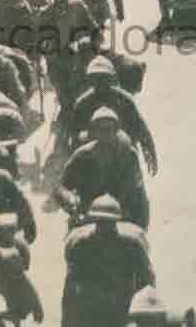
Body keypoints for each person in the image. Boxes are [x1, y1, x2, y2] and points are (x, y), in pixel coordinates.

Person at [61, 194, 154, 327]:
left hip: (121, 303)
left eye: (109, 222)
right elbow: (71, 284)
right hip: (90, 306)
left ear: (116, 221)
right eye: (100, 222)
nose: (105, 227)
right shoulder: (80, 244)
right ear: (94, 220)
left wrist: (145, 310)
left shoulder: (132, 243)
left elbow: (146, 279)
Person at [54, 109, 150, 230]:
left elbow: (138, 190)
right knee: (74, 240)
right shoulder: (82, 156)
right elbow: (61, 187)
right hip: (88, 216)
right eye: (101, 130)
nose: (105, 134)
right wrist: (69, 199)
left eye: (109, 129)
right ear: (94, 132)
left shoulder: (128, 155)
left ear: (116, 131)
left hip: (122, 216)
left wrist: (141, 225)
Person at [69, 56, 157, 174]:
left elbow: (141, 129)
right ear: (91, 80)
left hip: (121, 152)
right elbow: (74, 134)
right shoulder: (83, 103)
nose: (100, 82)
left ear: (111, 79)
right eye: (96, 78)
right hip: (93, 153)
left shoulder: (124, 100)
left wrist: (149, 153)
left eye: (104, 78)